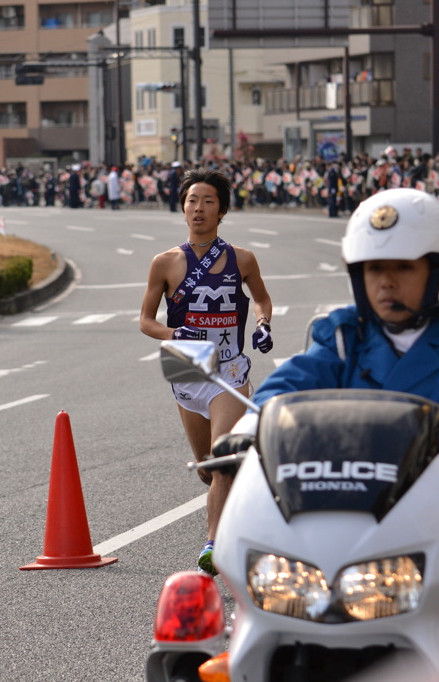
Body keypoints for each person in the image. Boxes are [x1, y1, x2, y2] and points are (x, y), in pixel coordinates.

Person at [227, 188, 439, 594]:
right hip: (344, 513)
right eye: (373, 268)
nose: (385, 282)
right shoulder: (344, 336)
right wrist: (248, 426)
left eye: (403, 267)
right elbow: (291, 383)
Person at [139, 167, 275, 575]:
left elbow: (264, 301)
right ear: (182, 208)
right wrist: (175, 331)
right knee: (206, 468)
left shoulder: (243, 259)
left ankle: (213, 546)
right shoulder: (164, 263)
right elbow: (146, 321)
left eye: (208, 201)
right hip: (185, 370)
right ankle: (246, 503)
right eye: (192, 201)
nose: (199, 208)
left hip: (228, 372)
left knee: (220, 459)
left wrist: (263, 325)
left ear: (222, 211)